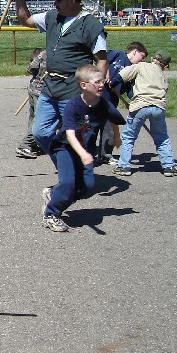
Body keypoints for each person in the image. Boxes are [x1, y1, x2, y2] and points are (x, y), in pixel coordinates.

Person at [12, 0, 108, 154]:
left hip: (74, 91)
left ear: (72, 1)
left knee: (75, 137)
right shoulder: (52, 17)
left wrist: (94, 91)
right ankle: (64, 164)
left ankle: (75, 174)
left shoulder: (91, 25)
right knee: (39, 133)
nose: (55, 4)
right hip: (49, 88)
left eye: (58, 0)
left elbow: (101, 60)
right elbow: (25, 19)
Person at [41, 64, 125, 232]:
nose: (102, 85)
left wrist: (117, 136)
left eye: (102, 81)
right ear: (84, 85)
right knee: (68, 184)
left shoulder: (104, 104)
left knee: (86, 187)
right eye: (97, 82)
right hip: (65, 147)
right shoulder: (74, 105)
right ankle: (50, 214)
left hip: (85, 150)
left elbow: (114, 117)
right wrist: (83, 154)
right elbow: (70, 133)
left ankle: (53, 194)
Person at [113, 50, 177, 178]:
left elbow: (123, 75)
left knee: (129, 136)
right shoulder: (162, 75)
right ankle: (169, 166)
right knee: (161, 137)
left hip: (140, 106)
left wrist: (112, 84)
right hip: (158, 107)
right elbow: (165, 89)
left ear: (152, 59)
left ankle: (124, 166)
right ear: (165, 66)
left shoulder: (141, 66)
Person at [96, 41, 148, 164]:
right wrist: (106, 72)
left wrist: (137, 100)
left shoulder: (134, 70)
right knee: (92, 124)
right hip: (99, 93)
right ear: (135, 51)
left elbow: (130, 90)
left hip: (112, 100)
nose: (142, 60)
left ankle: (105, 155)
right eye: (142, 56)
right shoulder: (118, 54)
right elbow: (102, 59)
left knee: (108, 127)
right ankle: (85, 153)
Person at [15, 48, 47, 159]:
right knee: (39, 120)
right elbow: (30, 67)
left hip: (33, 89)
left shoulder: (44, 53)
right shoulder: (50, 54)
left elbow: (30, 68)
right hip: (41, 92)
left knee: (33, 117)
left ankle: (33, 144)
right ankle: (26, 144)